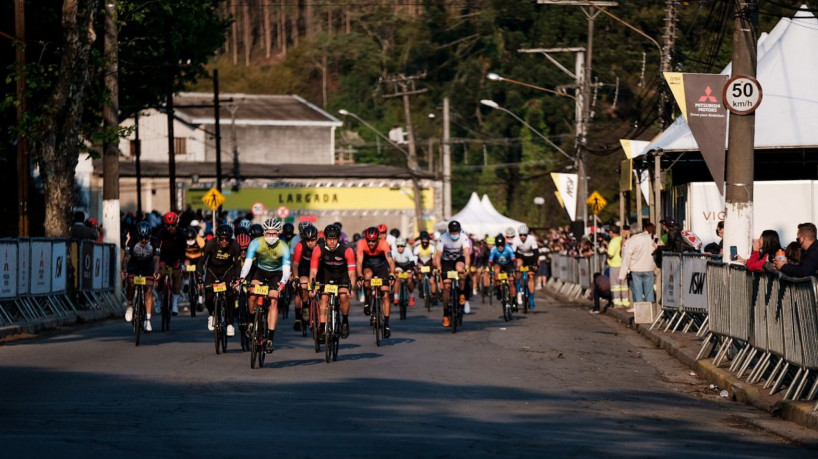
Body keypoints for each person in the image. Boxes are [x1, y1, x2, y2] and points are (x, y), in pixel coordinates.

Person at [240, 218, 292, 353]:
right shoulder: (256, 243)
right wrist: (241, 277)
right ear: (264, 233)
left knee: (273, 299)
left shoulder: (283, 247)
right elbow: (247, 263)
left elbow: (286, 269)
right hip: (260, 271)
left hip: (276, 273)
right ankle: (251, 321)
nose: (271, 236)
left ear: (278, 234)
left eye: (274, 234)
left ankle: (270, 338)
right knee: (252, 293)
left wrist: (283, 282)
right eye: (268, 233)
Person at [310, 224, 357, 339]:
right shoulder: (318, 249)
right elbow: (313, 272)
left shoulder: (347, 250)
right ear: (325, 238)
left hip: (343, 274)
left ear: (338, 239)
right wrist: (312, 286)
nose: (332, 242)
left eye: (334, 239)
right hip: (326, 274)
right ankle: (323, 326)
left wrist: (351, 288)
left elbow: (352, 273)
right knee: (324, 298)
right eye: (329, 239)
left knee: (343, 296)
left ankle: (345, 321)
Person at [199, 224, 242, 336]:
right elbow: (201, 261)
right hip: (212, 270)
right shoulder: (210, 244)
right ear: (217, 238)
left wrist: (236, 279)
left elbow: (237, 265)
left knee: (230, 295)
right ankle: (211, 315)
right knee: (208, 296)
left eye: (227, 239)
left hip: (228, 270)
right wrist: (199, 277)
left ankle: (230, 324)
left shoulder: (235, 245)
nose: (224, 242)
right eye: (221, 239)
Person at [356, 226, 396, 338]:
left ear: (378, 239)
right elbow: (359, 262)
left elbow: (391, 261)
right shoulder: (361, 243)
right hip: (367, 265)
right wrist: (359, 276)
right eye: (369, 240)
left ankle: (387, 324)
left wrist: (392, 275)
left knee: (385, 293)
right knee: (367, 276)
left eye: (373, 241)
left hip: (381, 265)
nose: (371, 243)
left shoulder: (383, 243)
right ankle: (367, 301)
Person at [434, 220, 471, 327]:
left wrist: (467, 266)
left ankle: (462, 294)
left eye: (456, 232)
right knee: (446, 286)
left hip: (459, 259)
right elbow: (438, 255)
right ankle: (445, 314)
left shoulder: (463, 237)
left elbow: (467, 254)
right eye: (452, 232)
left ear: (459, 231)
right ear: (449, 231)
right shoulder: (443, 238)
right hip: (446, 261)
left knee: (460, 270)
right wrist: (438, 268)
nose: (455, 234)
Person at [122, 221, 158, 331]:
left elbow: (156, 259)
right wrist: (124, 269)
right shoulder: (132, 241)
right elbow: (126, 258)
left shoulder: (155, 242)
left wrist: (156, 271)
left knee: (148, 291)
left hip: (148, 266)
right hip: (134, 265)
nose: (143, 241)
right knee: (131, 283)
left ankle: (147, 320)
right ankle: (129, 305)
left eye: (146, 238)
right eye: (141, 238)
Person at [152, 211, 186, 315]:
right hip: (164, 258)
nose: (170, 228)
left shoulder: (181, 233)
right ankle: (159, 300)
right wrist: (156, 267)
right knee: (160, 277)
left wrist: (182, 263)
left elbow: (183, 250)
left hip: (176, 258)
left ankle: (175, 303)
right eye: (168, 225)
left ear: (176, 224)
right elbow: (157, 249)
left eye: (172, 225)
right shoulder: (161, 233)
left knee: (176, 276)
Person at [619, 223, 656, 308]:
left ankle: (640, 315)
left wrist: (623, 274)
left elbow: (626, 257)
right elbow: (656, 246)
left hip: (636, 270)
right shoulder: (650, 238)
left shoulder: (631, 241)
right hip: (649, 268)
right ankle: (649, 313)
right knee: (649, 292)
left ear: (631, 231)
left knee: (638, 293)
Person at [291, 224, 320, 332]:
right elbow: (295, 264)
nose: (310, 243)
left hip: (318, 270)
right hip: (304, 269)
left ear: (317, 238)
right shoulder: (300, 246)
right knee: (303, 285)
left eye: (312, 240)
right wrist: (296, 277)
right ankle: (306, 305)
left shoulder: (322, 244)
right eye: (307, 240)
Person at [513, 224, 539, 310]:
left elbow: (536, 253)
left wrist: (535, 264)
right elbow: (513, 253)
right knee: (518, 265)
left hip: (531, 257)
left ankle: (531, 297)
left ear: (527, 234)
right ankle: (518, 286)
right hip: (521, 256)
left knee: (531, 276)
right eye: (521, 235)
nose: (523, 237)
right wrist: (514, 265)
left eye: (524, 235)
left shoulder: (531, 239)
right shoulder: (516, 240)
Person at [489, 234, 517, 306]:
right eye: (498, 245)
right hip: (499, 264)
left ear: (504, 244)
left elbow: (514, 260)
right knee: (496, 272)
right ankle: (498, 290)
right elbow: (490, 261)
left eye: (502, 245)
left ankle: (514, 299)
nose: (500, 247)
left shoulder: (508, 248)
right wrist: (490, 270)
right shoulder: (493, 249)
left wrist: (514, 269)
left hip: (508, 264)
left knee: (511, 281)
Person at [606, 226, 629, 309]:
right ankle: (625, 301)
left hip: (615, 265)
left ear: (611, 232)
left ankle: (617, 302)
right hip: (623, 265)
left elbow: (610, 255)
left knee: (615, 285)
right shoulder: (621, 239)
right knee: (624, 285)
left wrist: (606, 253)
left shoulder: (613, 241)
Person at [392, 237, 417, 307]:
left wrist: (413, 270)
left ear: (404, 246)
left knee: (409, 279)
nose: (400, 248)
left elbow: (412, 261)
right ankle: (396, 297)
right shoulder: (393, 251)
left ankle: (412, 296)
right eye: (398, 246)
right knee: (397, 279)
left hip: (407, 266)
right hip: (398, 265)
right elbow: (391, 262)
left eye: (402, 246)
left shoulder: (408, 250)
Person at [413, 230, 438, 301]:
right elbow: (415, 258)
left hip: (430, 264)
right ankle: (421, 287)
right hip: (421, 264)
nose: (425, 242)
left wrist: (435, 267)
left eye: (426, 240)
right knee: (420, 275)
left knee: (432, 281)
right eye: (423, 241)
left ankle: (433, 294)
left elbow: (434, 259)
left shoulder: (432, 247)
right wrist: (416, 266)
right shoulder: (417, 247)